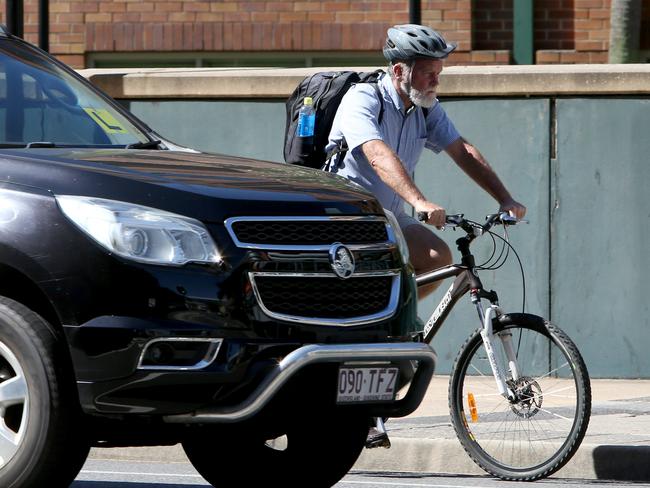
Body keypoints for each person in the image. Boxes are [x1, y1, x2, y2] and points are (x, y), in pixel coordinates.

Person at [326, 24, 526, 301]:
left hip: (389, 216)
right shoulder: (363, 98)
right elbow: (377, 154)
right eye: (428, 74)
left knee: (436, 258)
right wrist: (420, 202)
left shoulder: (425, 108)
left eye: (438, 74)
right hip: (347, 216)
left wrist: (505, 199)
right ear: (399, 71)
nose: (436, 82)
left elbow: (462, 151)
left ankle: (392, 323)